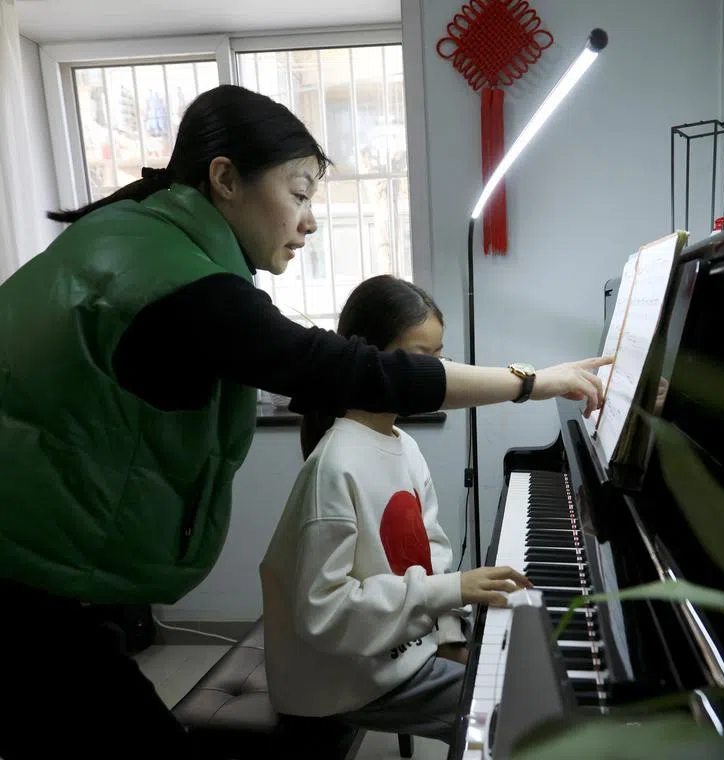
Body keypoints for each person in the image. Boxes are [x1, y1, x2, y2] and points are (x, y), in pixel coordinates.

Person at [0, 84, 607, 760]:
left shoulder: (136, 237)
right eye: (298, 193)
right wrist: (533, 381)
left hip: (44, 560)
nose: (310, 220)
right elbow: (344, 368)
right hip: (25, 575)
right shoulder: (176, 281)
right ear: (225, 179)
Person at [260, 275, 523, 749]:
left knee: (507, 677)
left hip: (398, 649)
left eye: (439, 359)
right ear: (367, 361)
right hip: (345, 676)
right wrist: (450, 590)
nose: (434, 376)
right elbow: (325, 614)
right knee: (507, 716)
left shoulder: (403, 445)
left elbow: (431, 554)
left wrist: (449, 634)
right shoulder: (335, 465)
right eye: (419, 360)